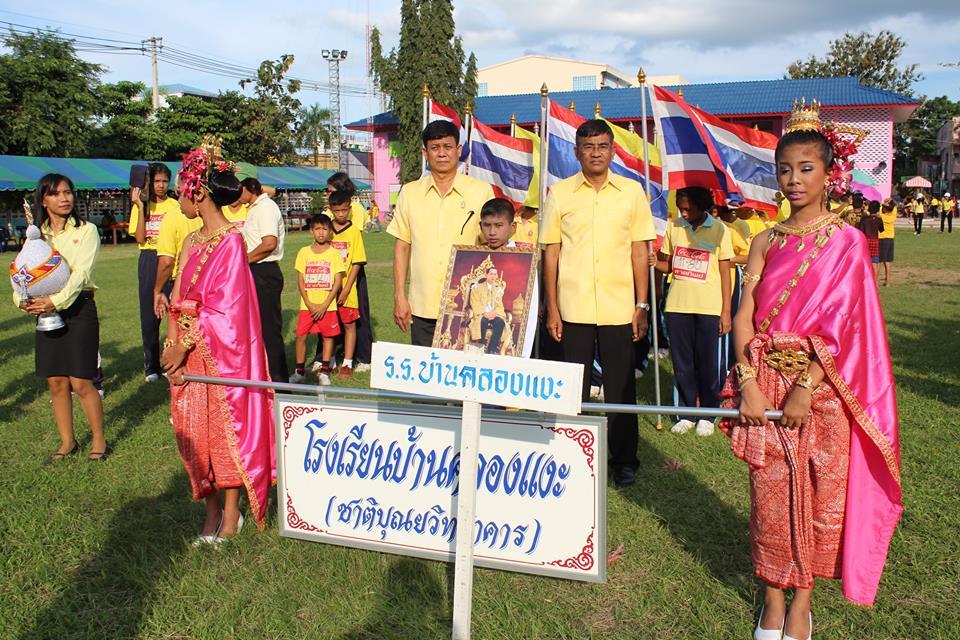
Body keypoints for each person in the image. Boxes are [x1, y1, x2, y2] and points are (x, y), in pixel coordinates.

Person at [721, 109, 901, 640]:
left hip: (822, 385)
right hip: (764, 380)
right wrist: (748, 381)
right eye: (784, 169)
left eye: (805, 169)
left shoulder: (846, 241)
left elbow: (849, 326)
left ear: (828, 174)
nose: (794, 180)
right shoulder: (764, 241)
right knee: (770, 495)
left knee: (822, 495)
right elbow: (744, 316)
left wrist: (805, 387)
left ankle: (802, 602)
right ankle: (773, 599)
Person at [160, 146, 274, 544]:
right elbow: (177, 297)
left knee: (224, 433)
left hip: (219, 355)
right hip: (185, 351)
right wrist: (171, 344)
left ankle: (229, 515)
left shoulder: (231, 242)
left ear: (198, 192)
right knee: (193, 431)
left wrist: (186, 343)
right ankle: (209, 512)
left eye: (181, 190)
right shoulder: (191, 240)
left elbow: (227, 309)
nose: (178, 198)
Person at [541, 119, 655, 487]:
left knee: (621, 388)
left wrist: (642, 305)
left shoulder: (631, 193)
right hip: (572, 308)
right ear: (576, 152)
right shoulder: (560, 193)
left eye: (602, 146)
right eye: (588, 147)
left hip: (619, 307)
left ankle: (624, 460)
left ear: (613, 151)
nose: (595, 153)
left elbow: (639, 251)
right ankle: (570, 456)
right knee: (571, 387)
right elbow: (551, 253)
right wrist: (553, 307)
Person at [14, 174, 108, 462]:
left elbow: (81, 274)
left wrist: (54, 301)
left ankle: (99, 440)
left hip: (79, 309)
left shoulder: (87, 230)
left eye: (68, 192)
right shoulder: (36, 235)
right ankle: (67, 442)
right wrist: (23, 301)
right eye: (56, 194)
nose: (64, 198)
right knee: (56, 381)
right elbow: (23, 272)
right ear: (44, 199)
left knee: (81, 382)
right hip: (44, 312)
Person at [388, 120, 495, 346]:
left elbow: (492, 245)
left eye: (448, 147)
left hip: (469, 306)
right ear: (425, 153)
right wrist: (399, 296)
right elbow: (402, 246)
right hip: (422, 305)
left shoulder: (480, 191)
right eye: (435, 148)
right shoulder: (410, 193)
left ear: (458, 150)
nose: (442, 154)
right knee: (425, 368)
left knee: (466, 368)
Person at [655, 187, 733, 436]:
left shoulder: (720, 230)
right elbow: (668, 265)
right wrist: (654, 262)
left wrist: (726, 311)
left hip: (709, 307)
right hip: (677, 306)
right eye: (681, 208)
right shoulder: (674, 227)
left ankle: (707, 414)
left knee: (708, 364)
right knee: (682, 363)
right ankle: (686, 413)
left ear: (703, 206)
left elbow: (725, 273)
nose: (684, 213)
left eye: (688, 209)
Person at [129, 163, 181, 382]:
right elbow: (140, 238)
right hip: (150, 259)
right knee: (149, 316)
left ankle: (174, 361)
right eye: (156, 181)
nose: (160, 185)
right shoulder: (142, 206)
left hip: (172, 259)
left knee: (176, 313)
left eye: (164, 181)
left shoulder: (175, 205)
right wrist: (140, 208)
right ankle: (151, 366)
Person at [238, 164, 289, 384]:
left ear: (250, 186)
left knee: (269, 333)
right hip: (256, 270)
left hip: (264, 272)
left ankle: (280, 386)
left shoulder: (266, 208)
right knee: (256, 332)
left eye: (238, 187)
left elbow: (269, 243)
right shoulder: (254, 207)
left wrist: (242, 260)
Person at [324, 172, 374, 371]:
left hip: (351, 271)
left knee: (358, 315)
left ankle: (363, 356)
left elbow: (353, 242)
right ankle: (328, 356)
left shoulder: (357, 211)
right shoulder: (330, 213)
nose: (327, 194)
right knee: (331, 316)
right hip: (332, 274)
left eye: (330, 190)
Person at [479, 197, 538, 357]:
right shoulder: (476, 254)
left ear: (512, 227)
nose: (492, 232)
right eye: (487, 225)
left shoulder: (524, 258)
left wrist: (523, 354)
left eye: (499, 226)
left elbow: (530, 309)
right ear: (480, 226)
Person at [291, 214, 344, 385]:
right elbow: (300, 279)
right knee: (301, 336)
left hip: (327, 306)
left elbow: (337, 282)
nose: (321, 233)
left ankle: (325, 371)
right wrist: (308, 303)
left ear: (330, 232)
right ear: (311, 231)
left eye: (325, 229)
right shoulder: (304, 252)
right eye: (317, 229)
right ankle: (299, 372)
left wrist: (325, 304)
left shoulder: (334, 254)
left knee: (328, 337)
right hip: (307, 306)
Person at [858, 200, 885, 280]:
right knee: (874, 262)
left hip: (866, 240)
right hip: (875, 240)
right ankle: (875, 282)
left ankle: (864, 279)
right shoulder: (879, 219)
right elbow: (882, 230)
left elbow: (861, 230)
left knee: (864, 261)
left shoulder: (864, 219)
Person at [877, 199, 897, 287]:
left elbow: (878, 210)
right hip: (890, 238)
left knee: (879, 261)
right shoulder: (893, 214)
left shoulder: (881, 216)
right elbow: (894, 206)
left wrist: (883, 203)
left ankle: (875, 280)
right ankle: (888, 281)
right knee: (888, 261)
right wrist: (890, 201)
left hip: (882, 238)